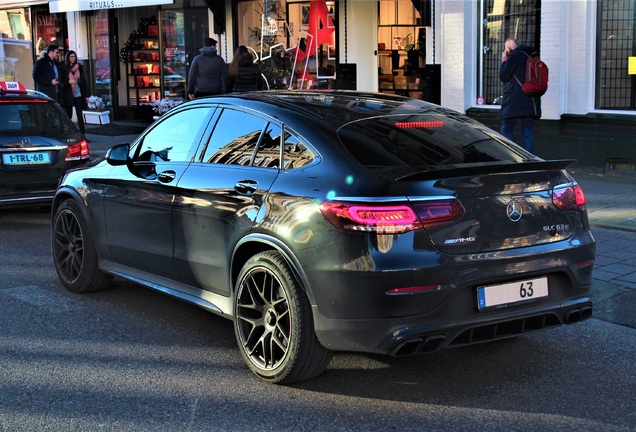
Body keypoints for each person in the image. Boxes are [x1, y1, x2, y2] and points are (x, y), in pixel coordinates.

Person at [499, 37, 541, 153]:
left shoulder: (514, 57)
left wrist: (504, 61)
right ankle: (530, 159)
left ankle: (515, 155)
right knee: (527, 132)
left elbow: (504, 76)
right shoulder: (532, 56)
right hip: (531, 100)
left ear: (508, 48)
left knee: (506, 130)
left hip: (515, 101)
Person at [60, 50, 89, 135]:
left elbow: (83, 82)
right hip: (69, 94)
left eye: (74, 57)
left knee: (80, 115)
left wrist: (87, 95)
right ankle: (68, 134)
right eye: (71, 57)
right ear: (67, 58)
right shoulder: (63, 67)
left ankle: (83, 135)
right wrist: (68, 82)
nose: (73, 58)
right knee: (69, 116)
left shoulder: (79, 67)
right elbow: (61, 82)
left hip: (78, 93)